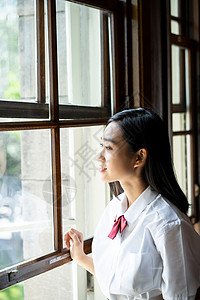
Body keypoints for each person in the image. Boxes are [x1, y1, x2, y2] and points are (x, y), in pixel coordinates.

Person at [64, 108, 200, 300]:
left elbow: (183, 296)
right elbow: (119, 283)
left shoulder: (168, 225)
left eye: (109, 148)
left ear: (139, 157)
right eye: (101, 146)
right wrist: (81, 258)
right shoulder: (114, 209)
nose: (99, 156)